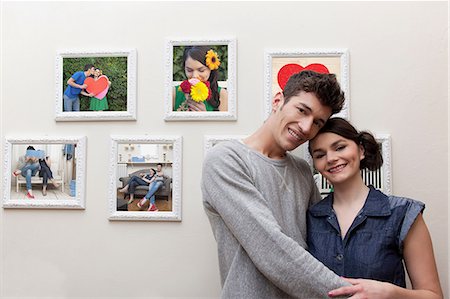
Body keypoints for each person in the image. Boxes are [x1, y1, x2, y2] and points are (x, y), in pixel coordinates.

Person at [201, 70, 350, 298]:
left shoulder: (302, 171)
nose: (306, 127)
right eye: (302, 110)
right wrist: (350, 294)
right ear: (278, 101)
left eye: (318, 123)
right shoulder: (226, 159)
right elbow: (270, 249)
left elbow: (319, 243)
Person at [307, 117, 443, 299]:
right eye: (320, 155)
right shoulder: (310, 218)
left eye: (340, 147)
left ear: (361, 150)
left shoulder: (404, 213)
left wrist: (389, 292)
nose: (331, 158)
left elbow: (434, 296)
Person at [172, 46, 228, 112]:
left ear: (211, 69)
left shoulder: (222, 94)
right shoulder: (174, 93)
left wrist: (204, 115)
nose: (195, 76)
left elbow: (224, 122)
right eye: (189, 70)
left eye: (201, 70)